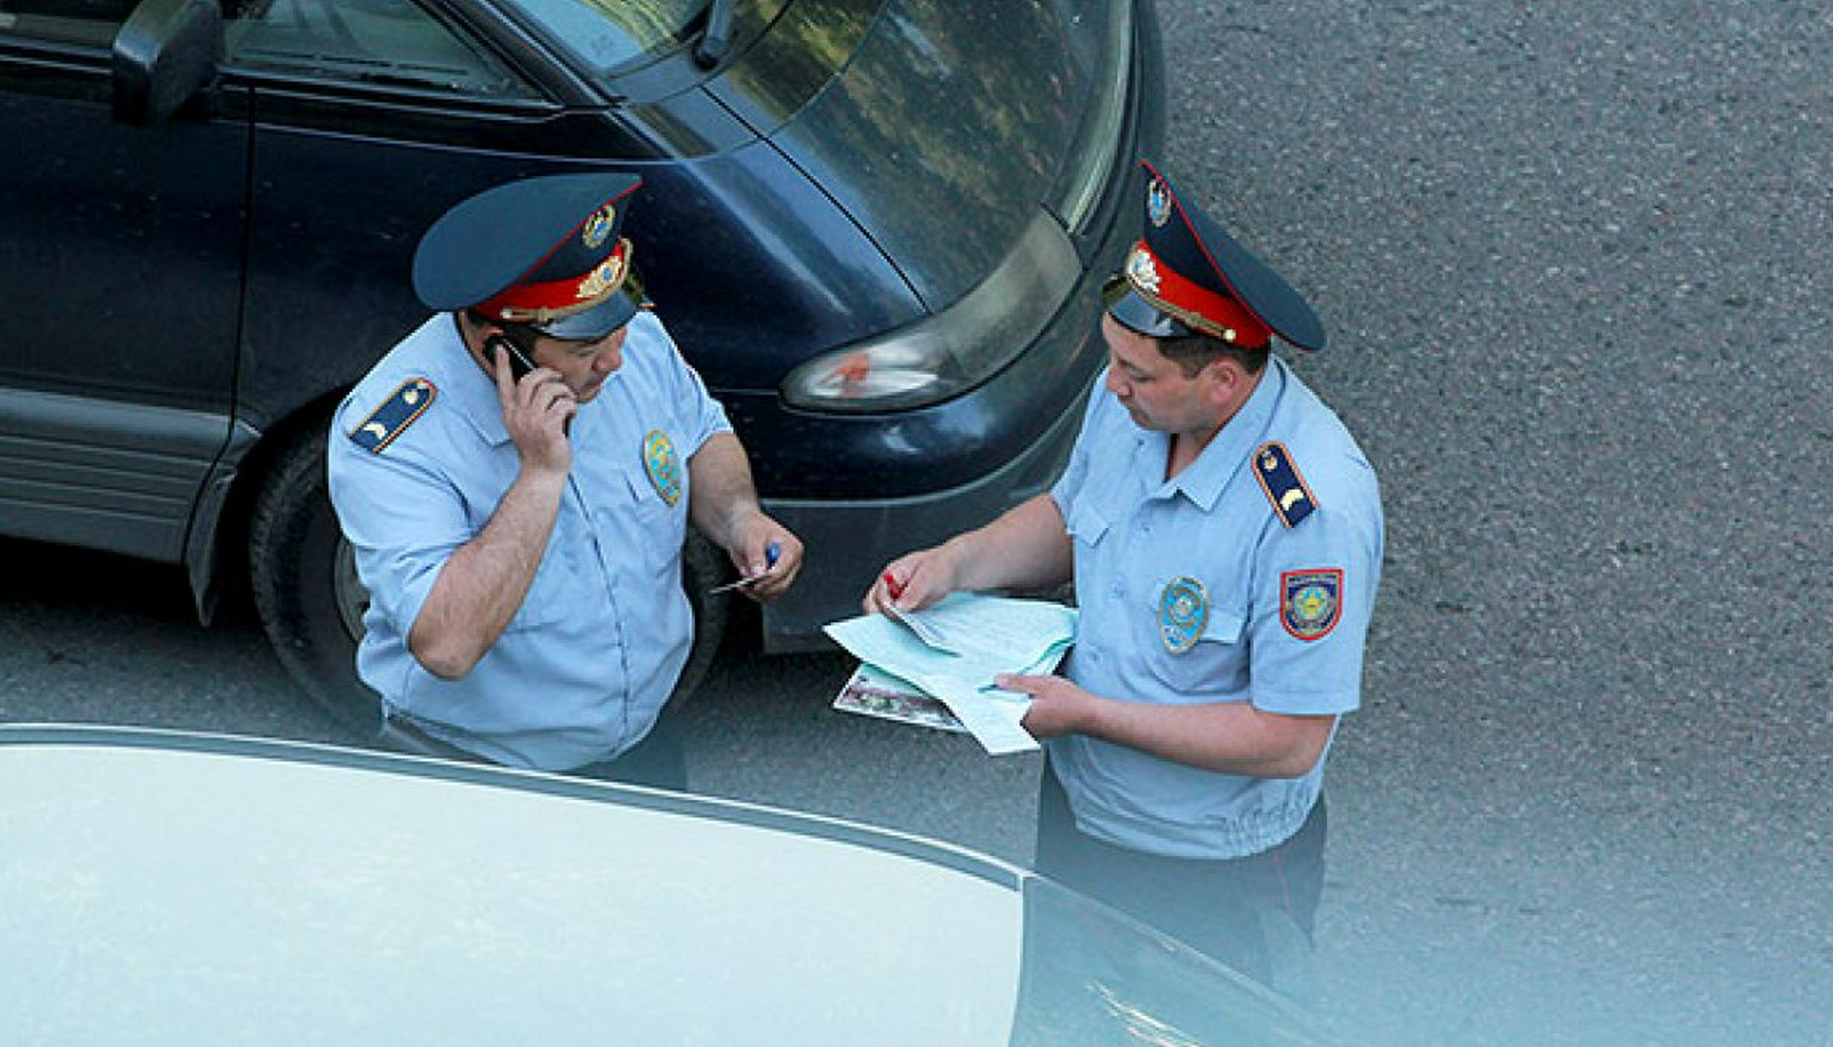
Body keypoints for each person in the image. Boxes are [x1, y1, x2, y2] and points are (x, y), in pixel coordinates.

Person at [867, 161, 1382, 990]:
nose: (1111, 387)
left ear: (1220, 380)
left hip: (1211, 870)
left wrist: (1089, 716)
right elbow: (1074, 517)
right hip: (1085, 816)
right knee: (1068, 1030)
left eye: (1136, 374)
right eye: (1115, 361)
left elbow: (1287, 740)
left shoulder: (1309, 512)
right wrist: (957, 563)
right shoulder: (1138, 402)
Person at [328, 172, 800, 789]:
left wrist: (742, 519)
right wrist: (540, 474)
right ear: (501, 348)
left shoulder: (627, 343)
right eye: (585, 350)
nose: (614, 360)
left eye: (616, 331)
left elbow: (698, 433)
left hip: (640, 740)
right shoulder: (397, 436)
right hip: (480, 772)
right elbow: (446, 644)